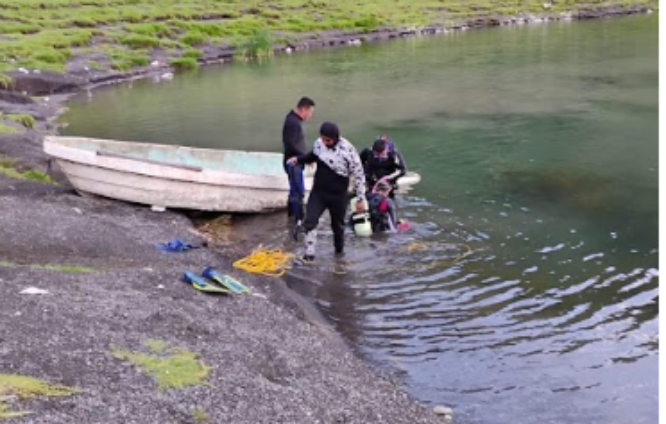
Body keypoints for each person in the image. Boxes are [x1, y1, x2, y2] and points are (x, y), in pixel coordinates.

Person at [286, 122, 366, 261]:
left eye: (327, 140)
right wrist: (298, 160)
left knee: (338, 228)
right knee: (310, 221)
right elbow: (312, 156)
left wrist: (360, 198)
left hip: (339, 196)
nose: (324, 142)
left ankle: (339, 256)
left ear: (335, 138)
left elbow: (359, 175)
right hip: (319, 192)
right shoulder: (319, 144)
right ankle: (309, 255)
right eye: (322, 139)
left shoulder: (348, 151)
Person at [282, 96, 315, 238]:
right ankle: (299, 222)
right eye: (310, 112)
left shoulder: (293, 120)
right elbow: (290, 144)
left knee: (293, 192)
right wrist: (306, 158)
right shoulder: (293, 122)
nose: (310, 115)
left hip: (295, 161)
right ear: (303, 109)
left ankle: (290, 219)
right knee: (298, 193)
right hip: (294, 163)